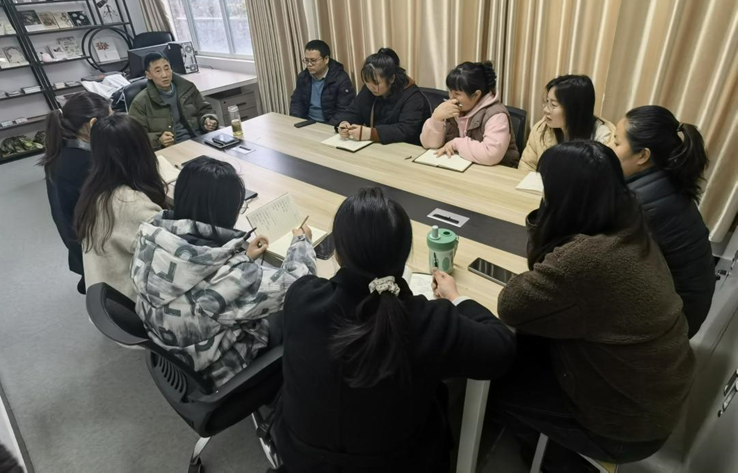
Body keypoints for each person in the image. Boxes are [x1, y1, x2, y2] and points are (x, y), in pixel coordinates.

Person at [446, 141, 693, 472]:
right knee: (527, 341)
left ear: (565, 198)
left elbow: (511, 305)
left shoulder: (586, 259)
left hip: (623, 424)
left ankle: (552, 460)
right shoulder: (630, 221)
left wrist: (547, 219)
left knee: (495, 376)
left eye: (547, 190)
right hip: (655, 396)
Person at [274, 187, 516, 472]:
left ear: (338, 254)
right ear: (403, 258)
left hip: (302, 460)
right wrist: (455, 298)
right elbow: (501, 348)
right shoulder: (427, 321)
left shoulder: (302, 297)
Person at [132, 156, 316, 386]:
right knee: (302, 316)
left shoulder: (149, 236)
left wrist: (243, 257)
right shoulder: (234, 277)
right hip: (217, 370)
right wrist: (302, 241)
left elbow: (192, 271)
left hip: (170, 347)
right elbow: (301, 284)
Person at [610, 106, 714, 337]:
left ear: (643, 155)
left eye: (616, 143)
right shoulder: (667, 178)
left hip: (675, 319)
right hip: (689, 302)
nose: (609, 148)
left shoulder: (640, 204)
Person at [74, 114, 167, 300]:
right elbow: (177, 259)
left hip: (109, 296)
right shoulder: (132, 204)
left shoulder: (94, 191)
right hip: (136, 302)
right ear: (142, 151)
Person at [39, 93, 111, 294]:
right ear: (92, 124)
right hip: (93, 245)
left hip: (75, 240)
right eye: (109, 120)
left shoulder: (62, 149)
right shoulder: (85, 164)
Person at [420, 61, 519, 166]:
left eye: (457, 94)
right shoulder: (450, 108)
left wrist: (456, 144)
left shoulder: (496, 115)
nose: (451, 98)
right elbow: (429, 145)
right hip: (456, 166)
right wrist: (436, 118)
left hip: (494, 171)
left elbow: (490, 154)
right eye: (450, 91)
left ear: (476, 95)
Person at [518, 74, 615, 171]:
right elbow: (527, 165)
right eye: (547, 101)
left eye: (553, 105)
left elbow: (599, 177)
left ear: (574, 109)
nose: (546, 110)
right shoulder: (541, 129)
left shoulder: (603, 139)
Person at [333, 48, 429, 145]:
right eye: (367, 81)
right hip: (376, 146)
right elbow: (354, 111)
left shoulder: (413, 97)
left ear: (391, 78)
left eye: (376, 82)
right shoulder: (368, 90)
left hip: (406, 148)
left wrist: (370, 133)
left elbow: (405, 130)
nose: (371, 87)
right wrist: (344, 123)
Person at [128, 52, 219, 149]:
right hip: (171, 148)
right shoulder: (140, 102)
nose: (164, 75)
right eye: (158, 71)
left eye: (167, 68)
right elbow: (135, 136)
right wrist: (158, 140)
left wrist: (207, 119)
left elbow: (205, 109)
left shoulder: (187, 88)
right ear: (148, 75)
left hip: (199, 139)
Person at [289, 39, 355, 125]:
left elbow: (344, 111)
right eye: (306, 60)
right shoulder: (303, 77)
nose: (309, 64)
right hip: (306, 123)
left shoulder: (341, 79)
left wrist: (327, 128)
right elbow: (296, 103)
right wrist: (297, 121)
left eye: (313, 60)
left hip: (329, 125)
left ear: (326, 59)